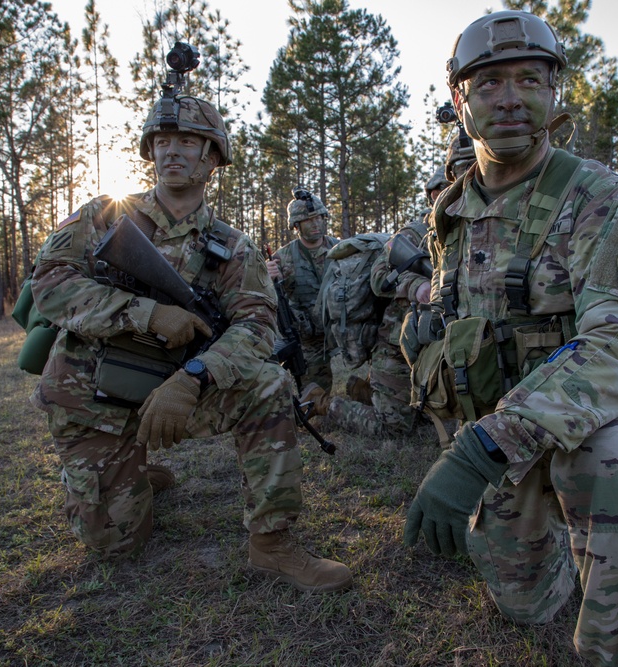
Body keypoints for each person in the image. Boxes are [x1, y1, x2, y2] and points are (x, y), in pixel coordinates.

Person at [401, 10, 618, 665]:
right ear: (460, 99)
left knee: (608, 455)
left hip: (599, 417)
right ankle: (552, 537)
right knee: (524, 602)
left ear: (554, 92)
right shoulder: (453, 210)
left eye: (529, 79)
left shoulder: (602, 200)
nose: (509, 98)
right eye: (490, 82)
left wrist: (478, 451)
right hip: (507, 431)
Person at [28, 93, 351, 593]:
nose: (170, 151)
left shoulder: (233, 247)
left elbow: (256, 327)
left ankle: (271, 544)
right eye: (161, 141)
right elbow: (48, 286)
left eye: (186, 141)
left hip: (176, 392)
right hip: (92, 397)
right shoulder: (106, 214)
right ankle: (130, 467)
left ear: (213, 158)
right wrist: (148, 313)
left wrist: (194, 378)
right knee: (114, 547)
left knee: (269, 384)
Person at [300, 167, 446, 439]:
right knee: (393, 429)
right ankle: (321, 402)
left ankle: (366, 390)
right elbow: (379, 278)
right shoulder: (415, 233)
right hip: (399, 348)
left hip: (441, 343)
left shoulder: (475, 231)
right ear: (433, 196)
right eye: (443, 191)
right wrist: (417, 286)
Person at [266, 189, 339, 391]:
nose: (316, 224)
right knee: (315, 390)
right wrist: (268, 277)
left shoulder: (341, 249)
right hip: (310, 338)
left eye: (318, 218)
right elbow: (268, 299)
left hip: (343, 329)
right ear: (296, 225)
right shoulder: (283, 257)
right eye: (309, 220)